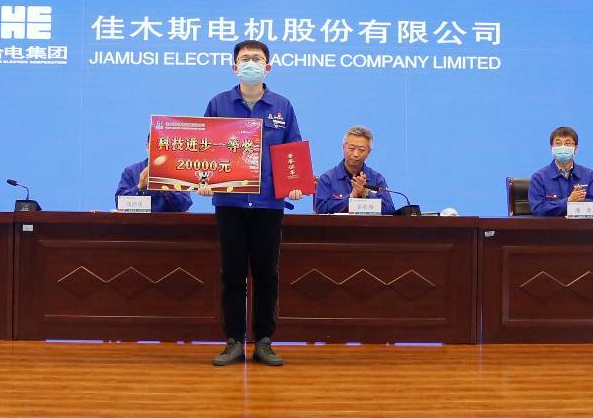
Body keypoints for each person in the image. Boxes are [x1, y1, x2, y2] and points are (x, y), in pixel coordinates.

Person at [198, 40, 304, 367]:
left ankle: (264, 342)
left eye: (257, 59)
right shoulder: (218, 103)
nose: (251, 63)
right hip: (229, 203)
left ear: (268, 67)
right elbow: (203, 148)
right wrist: (203, 179)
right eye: (245, 59)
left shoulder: (282, 106)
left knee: (266, 274)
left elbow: (292, 150)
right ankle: (233, 341)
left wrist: (295, 184)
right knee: (232, 273)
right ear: (234, 67)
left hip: (268, 204)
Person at [314, 126, 395, 215]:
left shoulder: (377, 179)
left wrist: (366, 193)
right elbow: (321, 209)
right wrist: (351, 197)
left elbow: (389, 210)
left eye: (361, 150)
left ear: (369, 152)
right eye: (351, 148)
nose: (356, 154)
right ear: (343, 147)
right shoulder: (327, 179)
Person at [528, 126, 593, 216]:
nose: (563, 147)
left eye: (567, 143)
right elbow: (538, 209)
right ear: (551, 148)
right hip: (551, 225)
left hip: (580, 224)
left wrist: (578, 201)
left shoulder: (589, 175)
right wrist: (568, 201)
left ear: (576, 149)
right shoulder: (539, 177)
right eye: (558, 143)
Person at [115, 147, 193, 212]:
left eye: (163, 146)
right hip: (139, 224)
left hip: (170, 224)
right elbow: (120, 205)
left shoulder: (177, 172)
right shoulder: (131, 171)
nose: (158, 149)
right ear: (147, 146)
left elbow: (184, 205)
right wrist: (139, 187)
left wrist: (165, 187)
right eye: (155, 144)